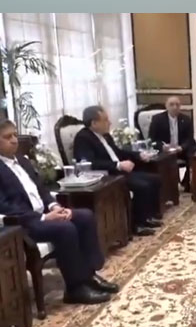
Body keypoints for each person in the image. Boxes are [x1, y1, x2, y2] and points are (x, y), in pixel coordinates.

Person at [0, 119, 118, 304]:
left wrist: (54, 206)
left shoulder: (22, 161)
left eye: (15, 135)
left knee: (85, 216)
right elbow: (5, 207)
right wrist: (44, 217)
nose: (14, 140)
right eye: (7, 137)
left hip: (45, 213)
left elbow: (42, 190)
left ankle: (89, 275)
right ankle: (75, 289)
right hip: (25, 223)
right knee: (65, 229)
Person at [73, 105, 162, 236]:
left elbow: (118, 152)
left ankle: (147, 217)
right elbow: (90, 163)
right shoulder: (83, 138)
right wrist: (118, 165)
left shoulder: (105, 136)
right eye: (105, 120)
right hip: (108, 177)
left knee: (155, 179)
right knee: (142, 186)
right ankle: (137, 225)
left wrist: (138, 155)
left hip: (119, 173)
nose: (109, 123)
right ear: (94, 123)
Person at [148, 96, 195, 192]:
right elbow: (152, 139)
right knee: (163, 160)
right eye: (171, 104)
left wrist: (181, 147)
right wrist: (162, 146)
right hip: (165, 150)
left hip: (180, 149)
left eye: (177, 105)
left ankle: (186, 182)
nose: (175, 107)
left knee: (194, 156)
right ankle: (168, 187)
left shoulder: (186, 119)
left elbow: (190, 139)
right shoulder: (157, 119)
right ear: (166, 106)